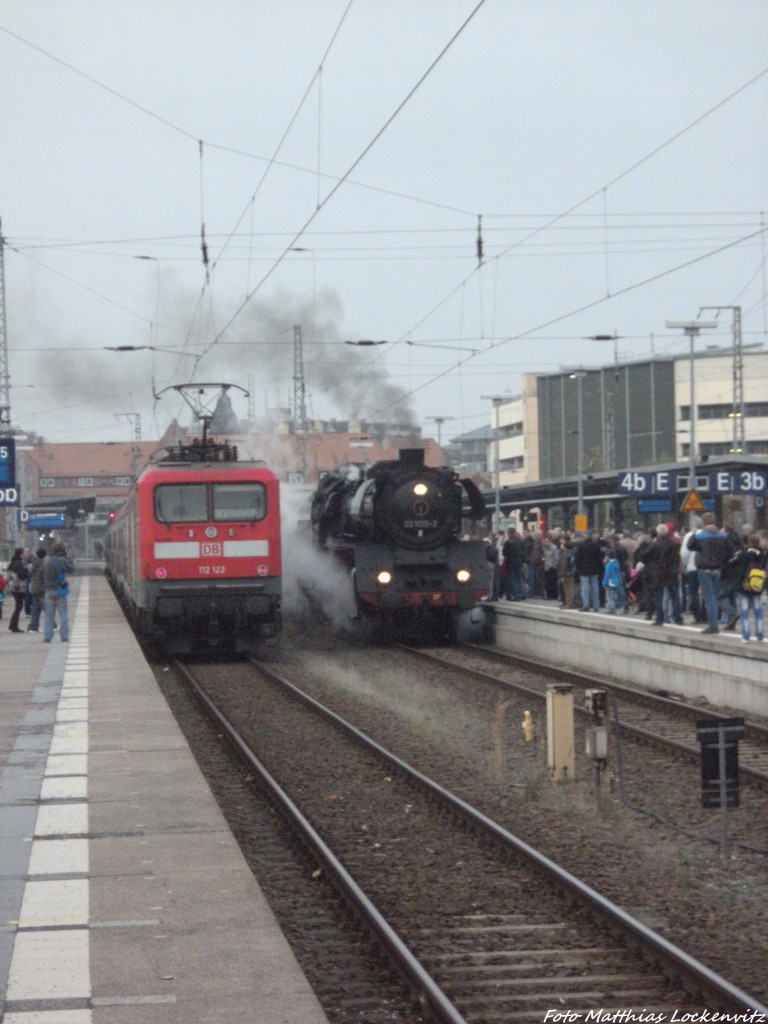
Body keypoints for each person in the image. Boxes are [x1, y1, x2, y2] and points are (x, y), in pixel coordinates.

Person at [688, 512, 735, 635]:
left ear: (704, 522)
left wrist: (693, 534)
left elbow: (690, 546)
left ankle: (713, 625)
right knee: (718, 595)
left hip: (704, 570)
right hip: (718, 569)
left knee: (709, 598)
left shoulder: (700, 536)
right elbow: (731, 552)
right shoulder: (722, 536)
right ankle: (731, 612)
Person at [730, 531, 768, 642]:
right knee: (758, 611)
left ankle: (746, 636)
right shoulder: (763, 554)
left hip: (744, 585)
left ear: (749, 543)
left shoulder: (743, 553)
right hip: (757, 586)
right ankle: (759, 635)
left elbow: (731, 563)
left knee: (745, 611)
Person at [642, 523, 682, 626]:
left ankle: (660, 618)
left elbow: (645, 556)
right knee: (675, 596)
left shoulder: (655, 544)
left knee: (658, 595)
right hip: (672, 572)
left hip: (658, 572)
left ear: (658, 533)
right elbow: (677, 558)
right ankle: (678, 618)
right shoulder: (674, 543)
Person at [43, 543, 75, 643]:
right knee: (63, 615)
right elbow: (71, 569)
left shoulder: (46, 561)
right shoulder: (62, 560)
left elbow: (41, 574)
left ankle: (47, 637)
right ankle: (64, 636)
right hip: (60, 590)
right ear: (62, 551)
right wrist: (66, 558)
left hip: (48, 590)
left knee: (49, 616)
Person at [574, 530, 602, 612]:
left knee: (585, 587)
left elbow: (577, 558)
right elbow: (599, 558)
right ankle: (596, 605)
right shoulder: (596, 545)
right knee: (595, 587)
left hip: (584, 569)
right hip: (594, 569)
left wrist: (578, 568)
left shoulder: (581, 545)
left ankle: (586, 605)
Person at [6, 547, 29, 633]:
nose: (25, 554)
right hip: (18, 587)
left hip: (13, 587)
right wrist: (27, 571)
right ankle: (13, 625)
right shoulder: (19, 563)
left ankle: (13, 625)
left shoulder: (14, 562)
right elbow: (22, 574)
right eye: (24, 552)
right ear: (20, 554)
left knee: (18, 606)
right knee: (19, 606)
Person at [501, 526, 527, 601]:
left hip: (511, 563)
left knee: (513, 579)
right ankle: (522, 594)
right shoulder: (520, 541)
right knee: (519, 578)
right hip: (519, 562)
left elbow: (504, 553)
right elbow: (524, 551)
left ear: (509, 533)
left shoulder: (508, 542)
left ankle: (516, 595)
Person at [27, 547, 47, 633]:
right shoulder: (44, 565)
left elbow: (30, 574)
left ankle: (33, 627)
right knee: (46, 608)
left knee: (35, 609)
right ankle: (52, 624)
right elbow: (44, 576)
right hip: (41, 589)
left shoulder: (33, 564)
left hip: (34, 588)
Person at [602, 549, 623, 614]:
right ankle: (614, 608)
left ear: (608, 556)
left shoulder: (609, 565)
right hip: (616, 582)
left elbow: (607, 575)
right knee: (614, 596)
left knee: (609, 597)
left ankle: (611, 609)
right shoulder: (616, 563)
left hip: (610, 582)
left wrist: (604, 583)